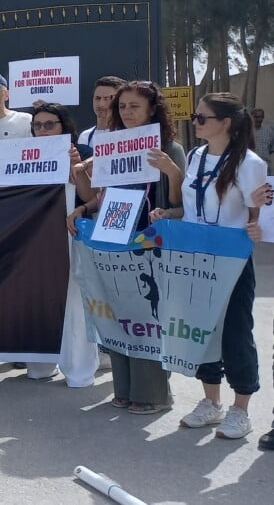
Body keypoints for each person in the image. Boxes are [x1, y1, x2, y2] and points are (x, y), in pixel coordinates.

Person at [68, 81, 185, 415]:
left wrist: (172, 173)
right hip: (113, 239)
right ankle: (125, 388)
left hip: (151, 243)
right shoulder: (111, 147)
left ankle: (154, 393)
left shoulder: (169, 148)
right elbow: (101, 196)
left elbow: (179, 205)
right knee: (120, 315)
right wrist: (83, 207)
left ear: (152, 110)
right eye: (122, 107)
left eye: (134, 106)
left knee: (146, 317)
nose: (126, 112)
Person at [171, 93, 265, 439]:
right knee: (203, 330)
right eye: (196, 117)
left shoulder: (250, 162)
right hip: (197, 255)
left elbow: (261, 212)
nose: (195, 122)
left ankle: (241, 409)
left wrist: (257, 225)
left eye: (202, 118)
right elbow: (190, 205)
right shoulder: (195, 156)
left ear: (225, 122)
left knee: (235, 331)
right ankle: (211, 402)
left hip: (233, 258)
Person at [20, 103, 99, 385]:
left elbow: (92, 197)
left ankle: (79, 370)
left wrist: (76, 169)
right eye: (37, 126)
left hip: (71, 234)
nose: (43, 130)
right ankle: (40, 365)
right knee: (36, 299)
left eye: (49, 124)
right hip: (35, 239)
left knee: (75, 301)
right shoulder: (21, 155)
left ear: (64, 126)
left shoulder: (83, 154)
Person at [78, 75, 127, 149]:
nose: (101, 104)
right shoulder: (85, 136)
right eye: (97, 98)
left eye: (107, 98)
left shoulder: (128, 134)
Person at [252, 107, 274, 174]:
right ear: (251, 117)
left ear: (263, 117)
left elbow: (271, 149)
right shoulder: (245, 132)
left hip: (265, 167)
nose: (259, 119)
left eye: (260, 117)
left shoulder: (269, 131)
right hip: (250, 167)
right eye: (256, 117)